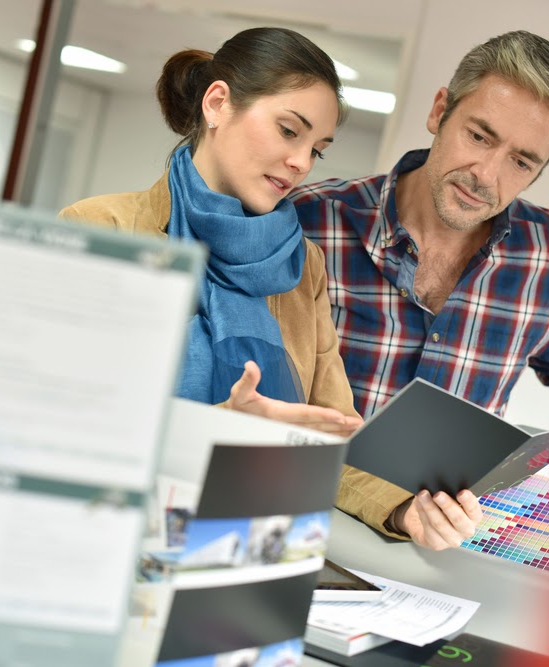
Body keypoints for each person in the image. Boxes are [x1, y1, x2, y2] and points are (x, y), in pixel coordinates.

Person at [290, 30, 549, 550]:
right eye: (479, 136)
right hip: (303, 515)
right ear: (440, 111)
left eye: (521, 162)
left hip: (440, 546)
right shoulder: (310, 222)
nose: (486, 174)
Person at [59, 27, 365, 436]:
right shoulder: (101, 228)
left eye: (316, 149)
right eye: (289, 131)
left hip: (264, 499)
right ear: (218, 103)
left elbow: (333, 428)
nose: (302, 163)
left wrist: (401, 502)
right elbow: (60, 410)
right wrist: (220, 429)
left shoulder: (303, 263)